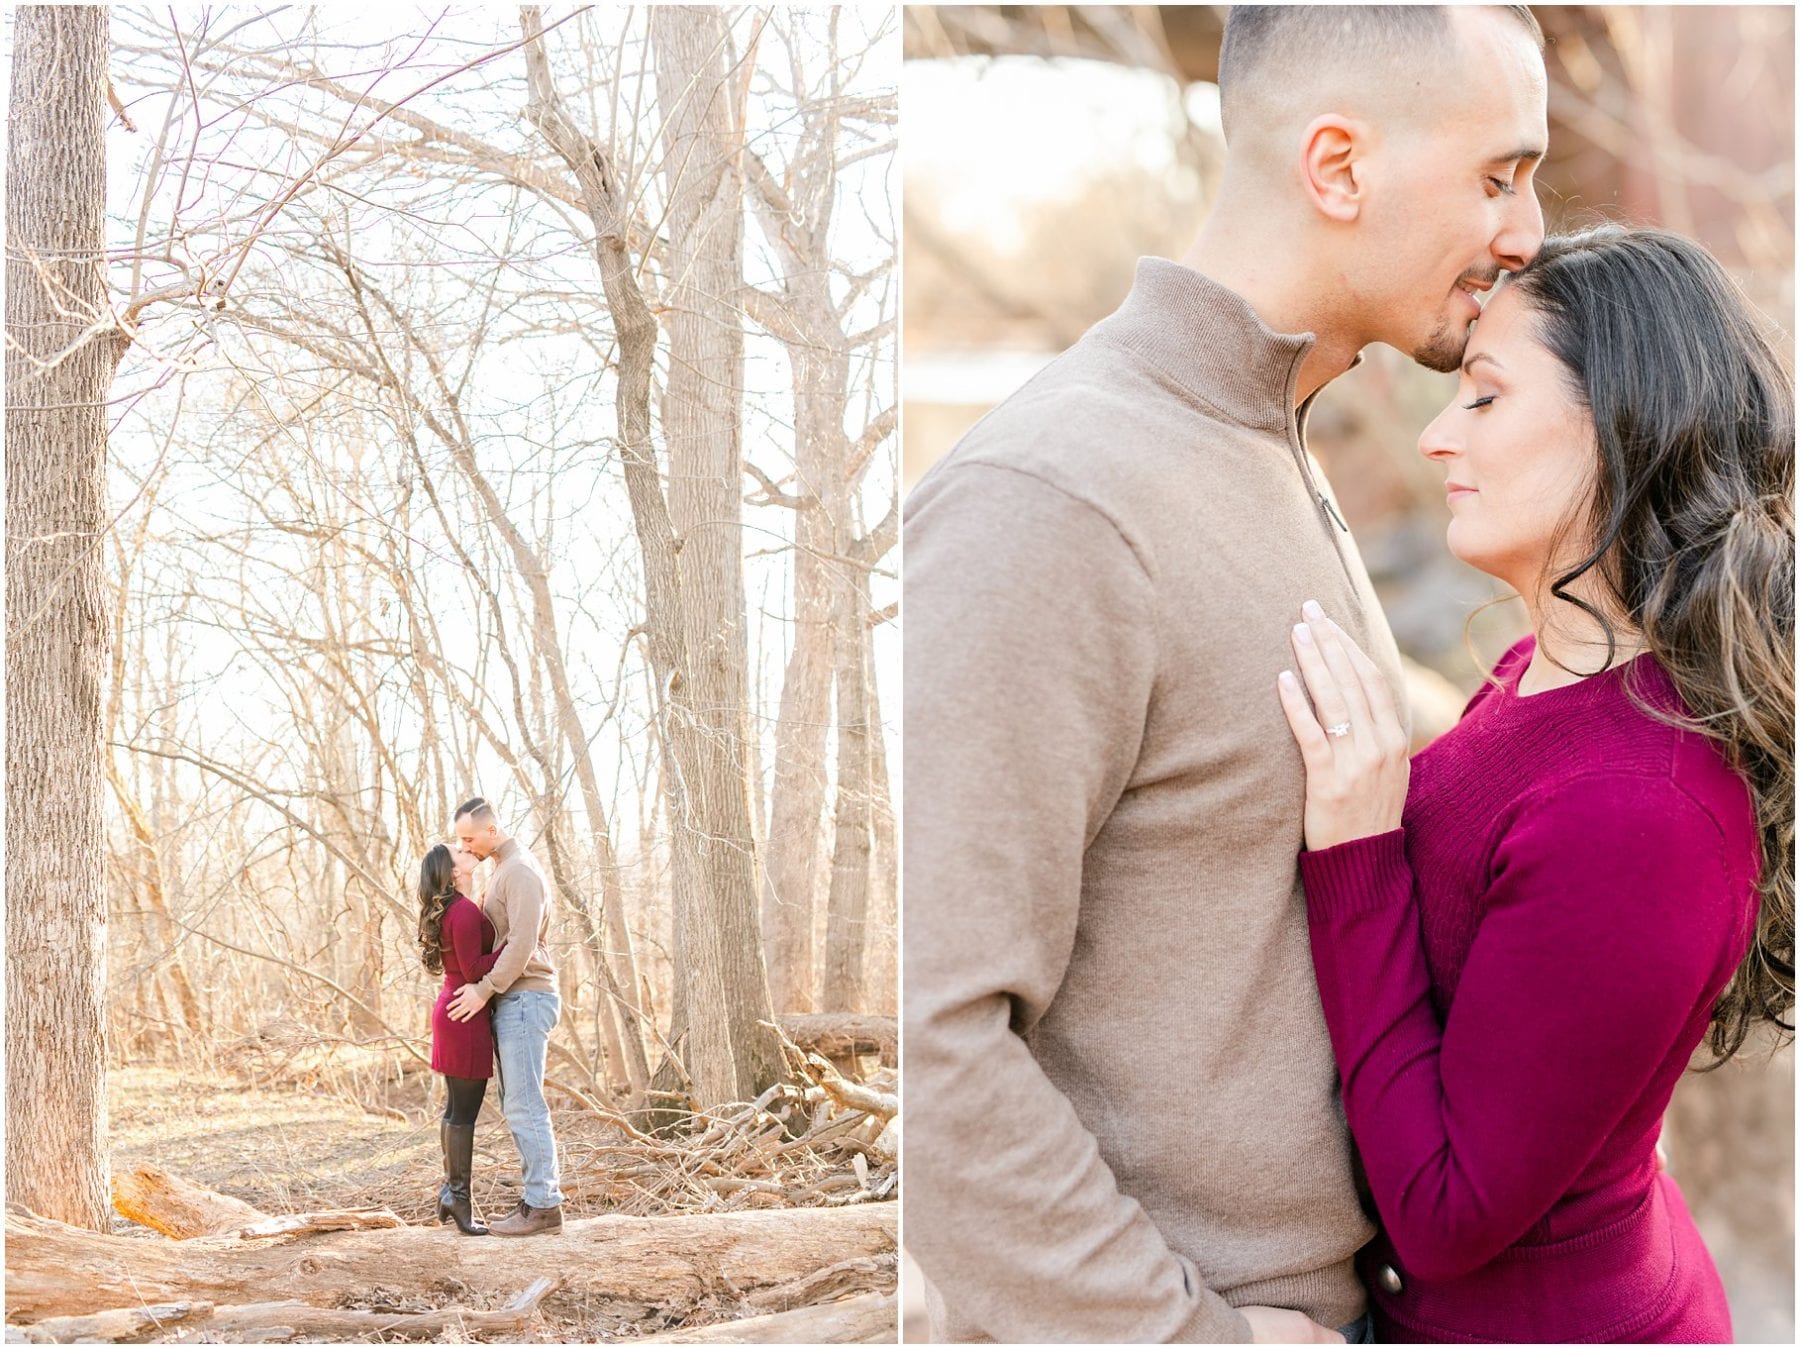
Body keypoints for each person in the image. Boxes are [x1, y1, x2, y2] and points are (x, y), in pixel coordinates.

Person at [904, 5, 1546, 1342]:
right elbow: (935, 1048)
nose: (1526, 233)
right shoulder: (1054, 495)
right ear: (1337, 167)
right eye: (1499, 175)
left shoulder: (1266, 445)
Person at [1278, 225, 1794, 1343]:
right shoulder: (1544, 673)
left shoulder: (1642, 807)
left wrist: (1353, 853)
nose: (1432, 436)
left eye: (1484, 397)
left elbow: (1449, 1215)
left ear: (1619, 423)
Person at [444, 797, 564, 1237]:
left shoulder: (520, 871)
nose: (465, 846)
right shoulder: (501, 870)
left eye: (469, 838)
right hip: (512, 1001)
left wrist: (483, 989)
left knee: (525, 1103)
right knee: (517, 1102)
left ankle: (544, 1205)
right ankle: (538, 1200)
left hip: (527, 998)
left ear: (492, 830)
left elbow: (522, 945)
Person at [417, 842, 506, 1235]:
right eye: (459, 852)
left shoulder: (457, 908)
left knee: (454, 1109)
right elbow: (473, 969)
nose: (466, 850)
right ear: (454, 872)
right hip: (464, 1015)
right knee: (463, 1113)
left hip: (451, 1009)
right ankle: (458, 1198)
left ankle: (450, 1192)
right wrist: (511, 949)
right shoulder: (465, 911)